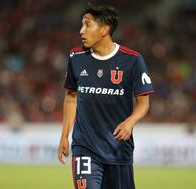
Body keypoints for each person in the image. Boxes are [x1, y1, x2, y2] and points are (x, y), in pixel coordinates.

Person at [58, 2, 153, 189]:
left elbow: (144, 103)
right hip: (85, 147)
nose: (81, 30)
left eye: (87, 24)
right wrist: (64, 136)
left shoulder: (132, 60)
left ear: (104, 29)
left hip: (118, 150)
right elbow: (71, 97)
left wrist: (130, 122)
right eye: (82, 24)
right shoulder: (76, 58)